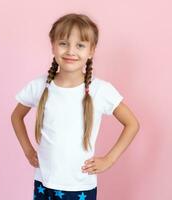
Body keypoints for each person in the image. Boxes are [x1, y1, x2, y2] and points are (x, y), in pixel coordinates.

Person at [11, 13, 140, 200]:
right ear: (53, 46)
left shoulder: (100, 90)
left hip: (80, 187)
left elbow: (132, 124)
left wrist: (110, 159)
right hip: (44, 183)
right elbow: (16, 116)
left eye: (80, 45)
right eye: (63, 43)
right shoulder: (39, 86)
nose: (71, 51)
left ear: (91, 50)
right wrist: (27, 150)